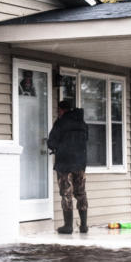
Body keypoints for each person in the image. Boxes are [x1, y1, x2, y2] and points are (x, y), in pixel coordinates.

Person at [47, 99, 89, 234]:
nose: (57, 112)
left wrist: (58, 147)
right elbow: (86, 140)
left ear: (62, 110)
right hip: (80, 164)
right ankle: (83, 225)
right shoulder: (82, 123)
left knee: (66, 194)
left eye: (58, 110)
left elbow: (51, 142)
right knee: (81, 193)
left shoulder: (60, 123)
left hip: (64, 164)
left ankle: (68, 226)